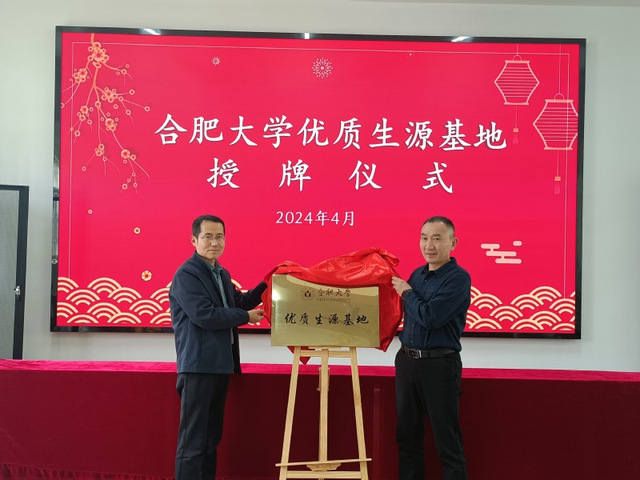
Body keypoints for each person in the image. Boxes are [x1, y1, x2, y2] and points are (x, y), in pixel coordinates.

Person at [169, 214, 267, 480]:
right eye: (208, 237)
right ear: (194, 240)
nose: (215, 242)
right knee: (193, 441)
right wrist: (246, 317)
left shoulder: (221, 273)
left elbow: (239, 302)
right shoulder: (187, 274)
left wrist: (268, 283)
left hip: (219, 365)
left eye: (219, 237)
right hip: (198, 366)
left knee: (210, 438)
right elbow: (205, 315)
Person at [391, 216, 471, 480]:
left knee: (447, 441)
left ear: (453, 243)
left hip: (439, 365)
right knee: (407, 437)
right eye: (424, 238)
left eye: (437, 238)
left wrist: (406, 292)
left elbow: (431, 317)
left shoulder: (458, 278)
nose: (429, 245)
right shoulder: (417, 275)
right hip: (407, 361)